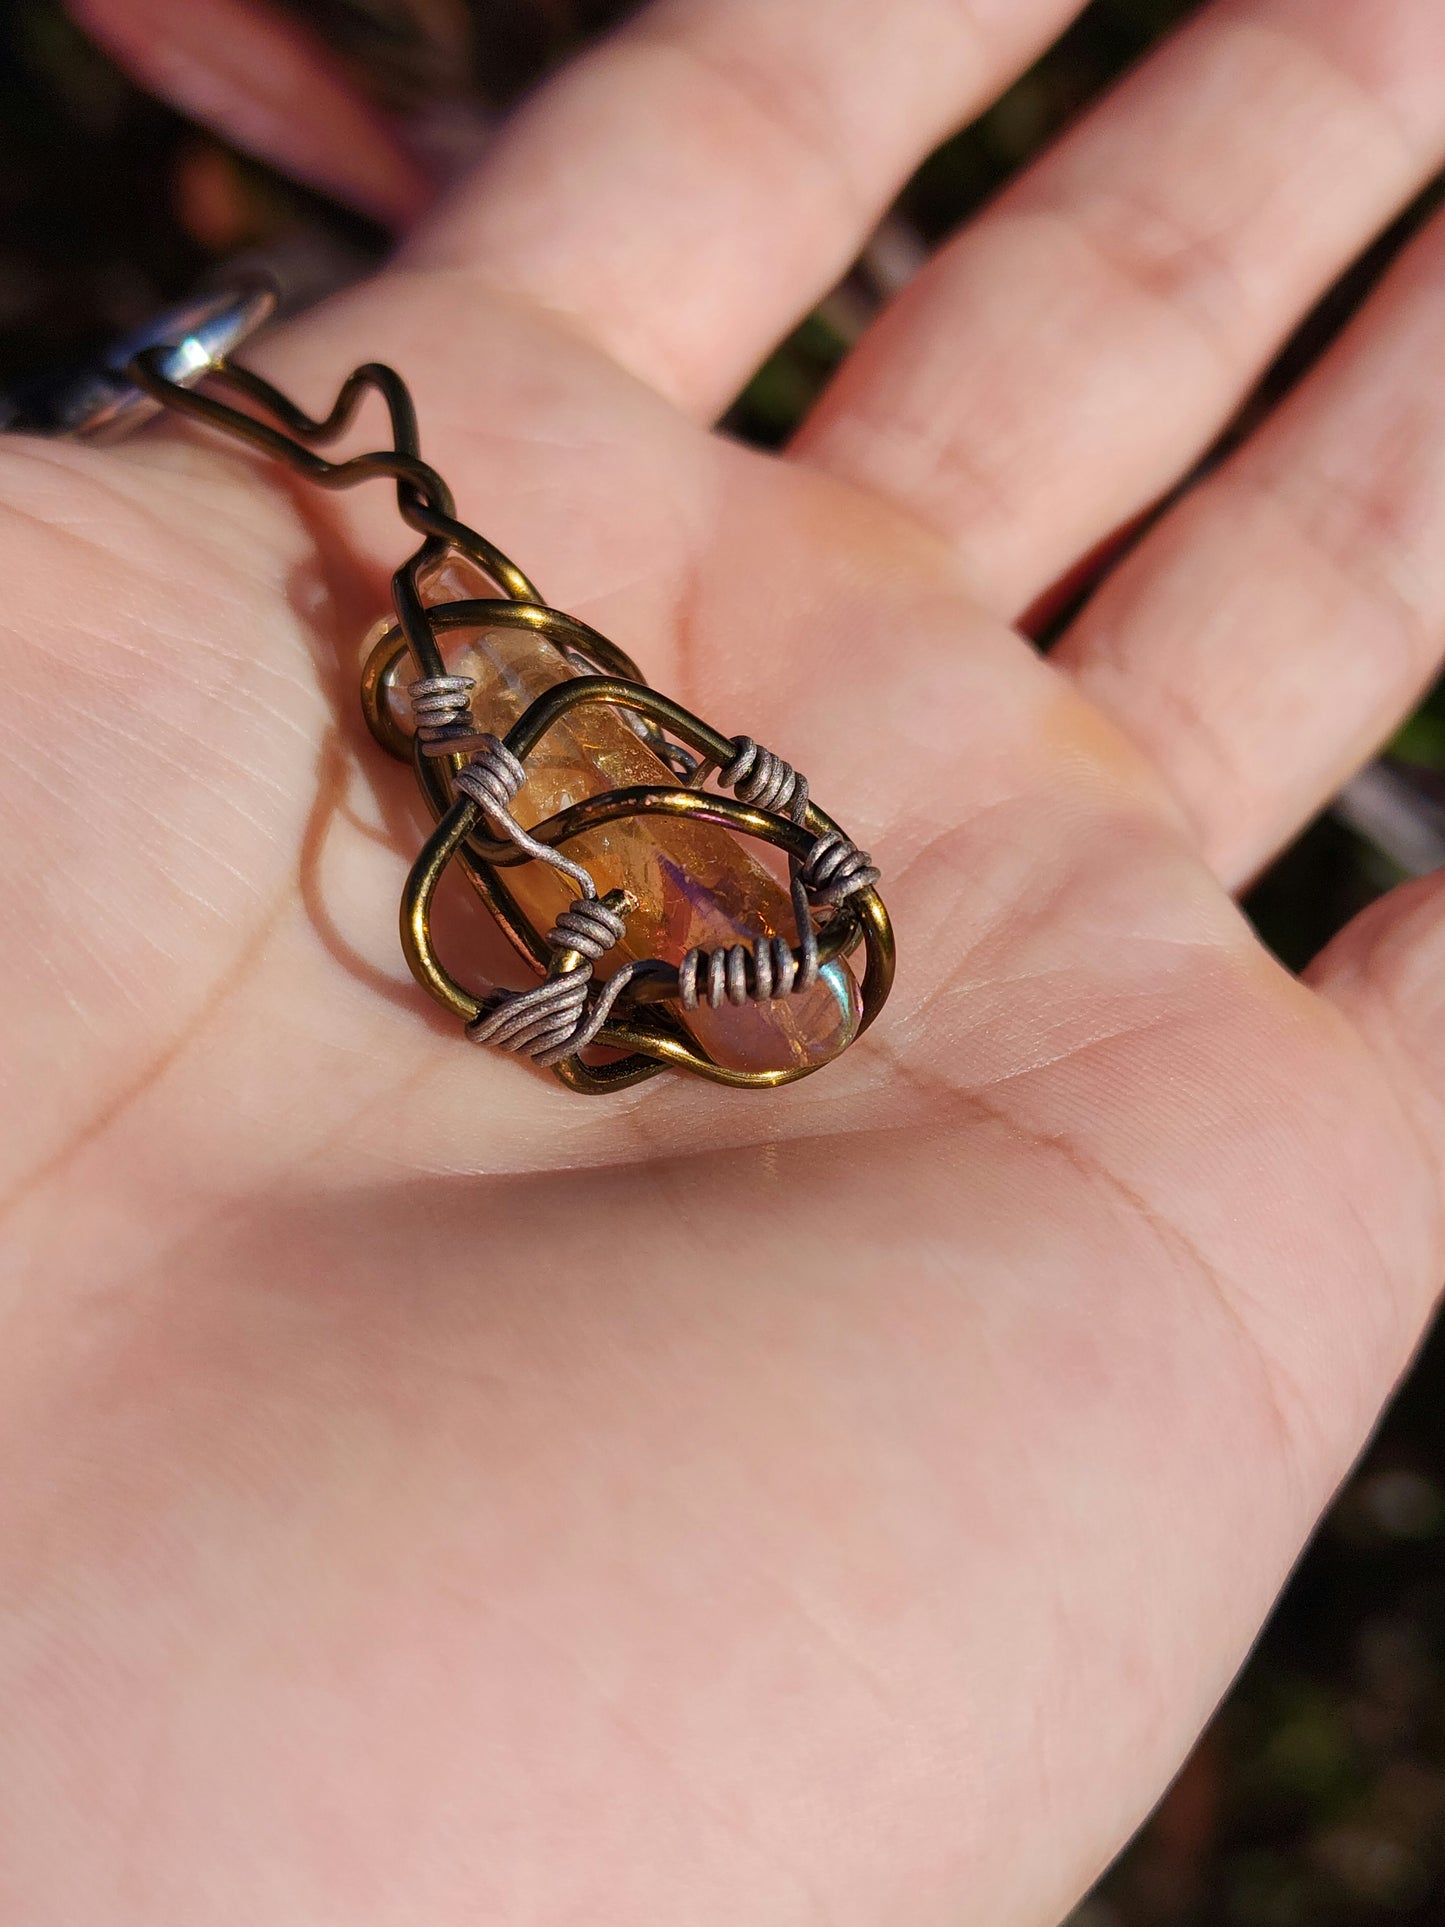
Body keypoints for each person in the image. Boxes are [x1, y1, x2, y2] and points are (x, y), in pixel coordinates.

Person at [6, 0, 1445, 1918]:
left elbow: (624, 939)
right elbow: (533, 943)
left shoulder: (586, 800)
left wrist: (708, 858)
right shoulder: (510, 767)